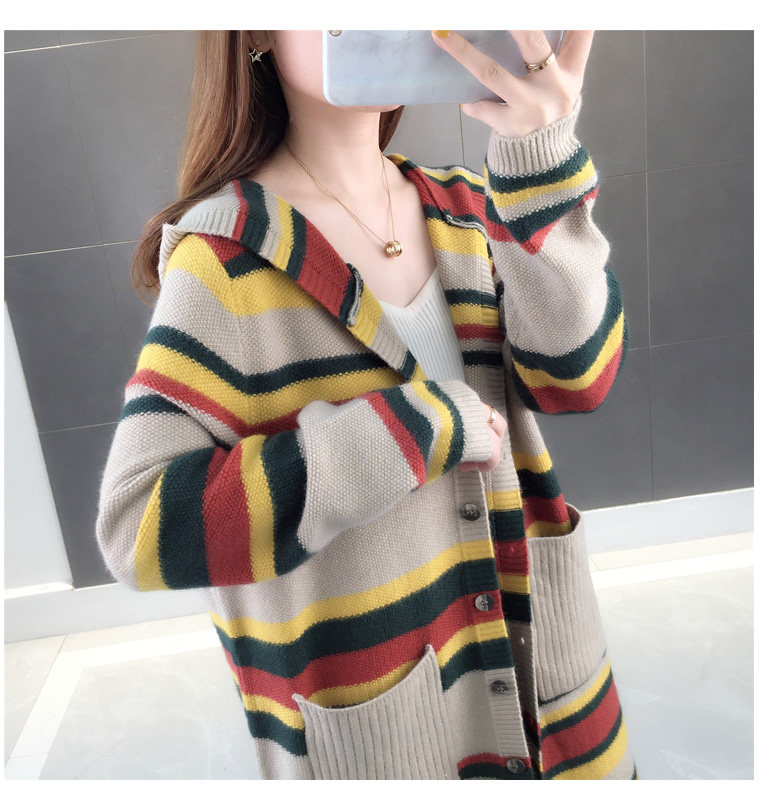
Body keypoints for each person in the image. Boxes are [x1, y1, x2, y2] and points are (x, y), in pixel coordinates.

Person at [95, 30, 636, 780]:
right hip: (388, 733)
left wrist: (540, 158)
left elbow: (577, 380)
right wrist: (413, 432)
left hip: (543, 675)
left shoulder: (467, 206)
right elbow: (137, 528)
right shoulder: (225, 260)